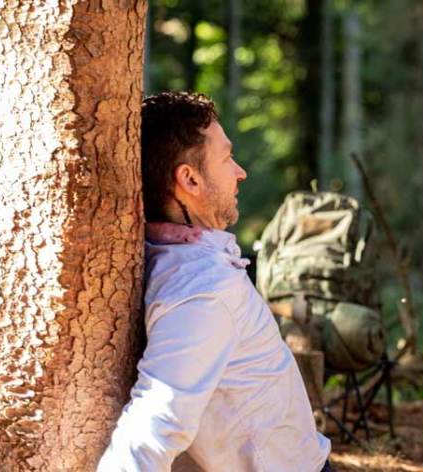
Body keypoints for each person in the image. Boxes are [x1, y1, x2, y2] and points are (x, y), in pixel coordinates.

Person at [98, 92, 331, 471]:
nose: (240, 172)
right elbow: (156, 422)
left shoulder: (175, 255)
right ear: (189, 179)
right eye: (226, 158)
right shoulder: (203, 288)